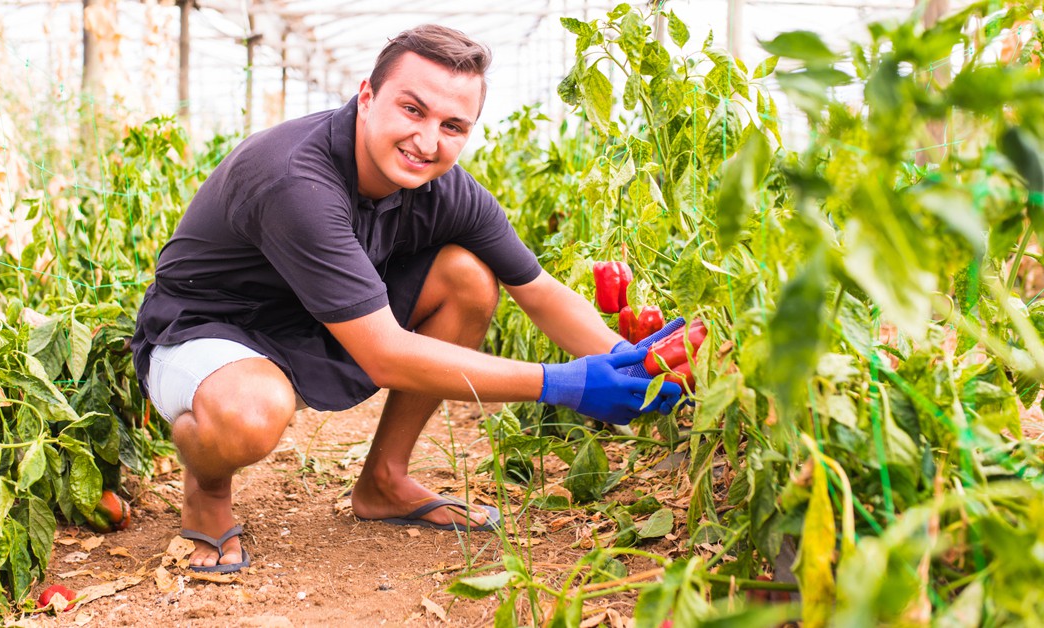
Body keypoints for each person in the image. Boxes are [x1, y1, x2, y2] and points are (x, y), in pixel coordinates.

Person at [130, 24, 684, 573]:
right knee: (251, 413)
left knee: (468, 277)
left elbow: (538, 293)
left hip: (318, 325)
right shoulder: (296, 180)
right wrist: (566, 383)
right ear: (366, 97)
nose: (427, 142)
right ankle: (208, 490)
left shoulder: (446, 190)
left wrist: (639, 366)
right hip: (206, 332)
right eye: (412, 110)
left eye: (452, 125)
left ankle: (385, 481)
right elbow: (385, 354)